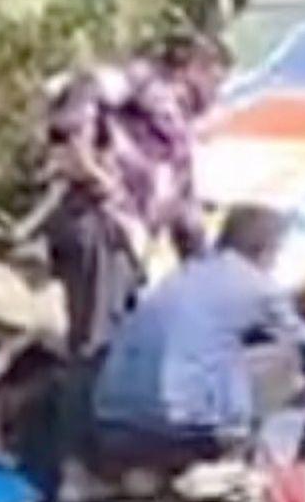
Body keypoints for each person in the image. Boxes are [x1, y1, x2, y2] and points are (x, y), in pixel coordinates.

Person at [87, 200, 305, 476]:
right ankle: (258, 472)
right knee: (291, 372)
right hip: (182, 422)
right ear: (266, 250)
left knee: (219, 360)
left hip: (113, 416)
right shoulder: (257, 286)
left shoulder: (184, 275)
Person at [42, 30, 226, 358]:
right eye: (216, 79)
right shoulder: (148, 82)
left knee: (114, 339)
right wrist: (80, 151)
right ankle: (83, 405)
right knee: (94, 346)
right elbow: (89, 84)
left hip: (127, 244)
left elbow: (185, 214)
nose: (216, 93)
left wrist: (209, 276)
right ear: (193, 69)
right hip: (99, 220)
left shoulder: (178, 138)